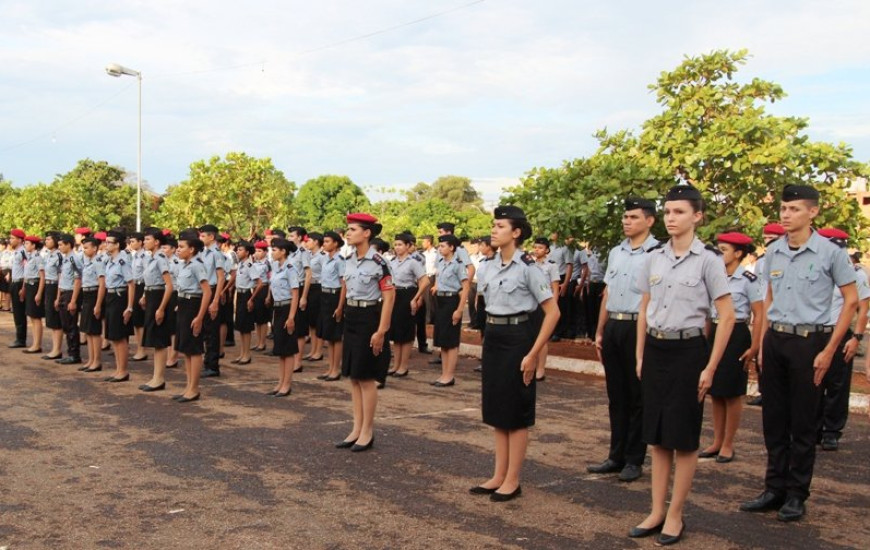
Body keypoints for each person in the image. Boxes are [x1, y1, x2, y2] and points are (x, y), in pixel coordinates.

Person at [739, 185, 857, 523]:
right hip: (776, 341)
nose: (786, 214)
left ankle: (796, 494)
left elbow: (850, 301)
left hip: (810, 343)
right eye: (784, 208)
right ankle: (774, 488)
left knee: (803, 422)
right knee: (773, 419)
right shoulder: (774, 251)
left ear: (813, 213)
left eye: (793, 209)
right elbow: (769, 297)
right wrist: (761, 346)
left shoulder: (830, 253)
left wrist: (829, 349)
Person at [630, 184, 735, 545]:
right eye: (669, 211)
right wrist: (641, 354)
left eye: (679, 212)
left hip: (690, 352)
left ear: (697, 216)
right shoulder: (654, 257)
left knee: (684, 439)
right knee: (658, 437)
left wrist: (710, 368)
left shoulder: (708, 260)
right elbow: (644, 307)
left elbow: (727, 315)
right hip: (656, 350)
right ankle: (656, 510)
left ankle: (675, 514)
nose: (672, 218)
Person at [469, 205, 558, 502]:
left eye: (500, 226)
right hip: (493, 336)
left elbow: (552, 312)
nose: (494, 230)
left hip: (519, 337)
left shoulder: (529, 267)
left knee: (516, 412)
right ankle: (498, 474)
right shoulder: (488, 265)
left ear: (516, 233)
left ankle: (513, 479)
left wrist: (533, 353)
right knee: (496, 409)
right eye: (493, 225)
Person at [588, 198, 658, 483]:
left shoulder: (656, 253)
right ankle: (615, 455)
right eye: (625, 217)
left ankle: (633, 459)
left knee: (637, 396)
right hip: (615, 325)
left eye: (633, 217)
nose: (626, 221)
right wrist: (600, 330)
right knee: (616, 396)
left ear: (650, 221)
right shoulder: (616, 251)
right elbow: (607, 292)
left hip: (638, 328)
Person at [698, 232, 764, 464]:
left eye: (724, 250)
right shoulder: (713, 276)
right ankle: (716, 440)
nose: (719, 254)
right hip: (716, 330)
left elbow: (759, 313)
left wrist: (755, 345)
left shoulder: (748, 279)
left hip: (736, 333)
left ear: (738, 253)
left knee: (732, 392)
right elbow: (707, 313)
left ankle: (728, 444)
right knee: (715, 391)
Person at [335, 213, 394, 453]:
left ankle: (367, 432)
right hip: (352, 316)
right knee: (354, 376)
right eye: (348, 229)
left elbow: (389, 297)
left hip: (370, 318)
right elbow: (346, 288)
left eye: (353, 229)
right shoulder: (348, 259)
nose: (348, 233)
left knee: (367, 377)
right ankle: (356, 428)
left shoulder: (379, 262)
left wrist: (381, 330)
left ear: (367, 233)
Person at [814, 228, 870, 451]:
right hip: (815, 332)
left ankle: (831, 431)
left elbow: (862, 307)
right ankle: (814, 428)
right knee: (813, 381)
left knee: (837, 384)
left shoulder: (855, 273)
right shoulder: (817, 269)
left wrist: (856, 337)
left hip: (840, 334)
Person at [746, 222, 786, 407]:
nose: (769, 242)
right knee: (760, 350)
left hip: (777, 310)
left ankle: (773, 392)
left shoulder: (783, 258)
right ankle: (764, 390)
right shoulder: (762, 260)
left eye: (773, 238)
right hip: (761, 307)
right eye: (767, 238)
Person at [172, 232, 212, 403]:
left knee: (194, 349)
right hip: (183, 304)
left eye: (182, 247)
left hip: (193, 306)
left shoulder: (196, 265)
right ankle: (188, 387)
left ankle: (194, 389)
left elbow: (207, 291)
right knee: (186, 349)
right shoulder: (184, 264)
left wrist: (200, 317)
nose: (178, 250)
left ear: (192, 249)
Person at [388, 233, 429, 378]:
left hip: (408, 294)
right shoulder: (392, 262)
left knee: (406, 332)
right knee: (396, 332)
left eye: (400, 245)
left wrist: (416, 298)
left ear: (407, 246)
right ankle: (395, 365)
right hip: (395, 295)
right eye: (396, 244)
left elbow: (424, 281)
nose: (397, 247)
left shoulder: (413, 262)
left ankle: (403, 366)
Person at [431, 234, 469, 387]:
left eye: (443, 246)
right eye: (439, 246)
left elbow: (465, 287)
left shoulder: (458, 264)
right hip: (440, 301)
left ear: (451, 247)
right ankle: (444, 374)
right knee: (443, 340)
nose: (440, 249)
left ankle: (449, 375)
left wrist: (459, 309)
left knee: (451, 341)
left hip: (452, 301)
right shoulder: (440, 262)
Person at [138, 229, 174, 392]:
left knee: (159, 340)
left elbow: (169, 285)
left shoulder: (160, 258)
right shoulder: (150, 257)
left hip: (160, 297)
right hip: (152, 296)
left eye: (147, 239)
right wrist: (145, 295)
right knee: (153, 338)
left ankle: (159, 378)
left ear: (157, 242)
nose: (144, 242)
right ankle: (155, 377)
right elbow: (151, 281)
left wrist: (161, 308)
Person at [265, 238, 300, 397]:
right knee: (280, 349)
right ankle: (280, 382)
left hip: (287, 308)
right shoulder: (276, 267)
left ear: (283, 251)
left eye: (275, 250)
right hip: (277, 308)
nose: (272, 252)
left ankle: (287, 384)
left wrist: (291, 317)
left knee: (288, 348)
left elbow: (295, 293)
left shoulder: (290, 268)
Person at [101, 230, 135, 383]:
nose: (106, 244)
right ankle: (118, 369)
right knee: (113, 336)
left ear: (117, 245)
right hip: (110, 296)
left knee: (120, 337)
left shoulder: (123, 261)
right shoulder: (109, 260)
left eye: (109, 242)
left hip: (119, 297)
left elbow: (131, 284)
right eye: (106, 241)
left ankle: (123, 371)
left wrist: (129, 307)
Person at [316, 231, 346, 382]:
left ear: (335, 243)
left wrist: (340, 306)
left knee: (336, 335)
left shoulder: (340, 260)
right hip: (325, 296)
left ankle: (336, 369)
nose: (325, 244)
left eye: (327, 241)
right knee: (328, 335)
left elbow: (343, 284)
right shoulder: (326, 259)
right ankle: (330, 368)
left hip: (335, 296)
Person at [531, 237, 561, 381]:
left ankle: (541, 369)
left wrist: (553, 308)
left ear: (547, 250)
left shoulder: (551, 266)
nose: (537, 250)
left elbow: (555, 288)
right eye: (535, 247)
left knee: (542, 337)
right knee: (531, 335)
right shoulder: (530, 265)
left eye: (540, 248)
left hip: (545, 304)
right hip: (531, 304)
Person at [199, 225, 226, 378]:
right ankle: (207, 362)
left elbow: (221, 277)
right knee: (205, 330)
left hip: (213, 289)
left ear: (211, 237)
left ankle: (213, 366)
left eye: (203, 236)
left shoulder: (216, 254)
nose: (200, 239)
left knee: (212, 331)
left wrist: (215, 300)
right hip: (204, 291)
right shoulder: (204, 252)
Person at [78, 237, 105, 373]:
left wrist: (98, 304)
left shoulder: (98, 262)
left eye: (87, 247)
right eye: (84, 248)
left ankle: (97, 361)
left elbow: (102, 284)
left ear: (95, 248)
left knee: (94, 331)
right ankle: (90, 359)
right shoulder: (87, 262)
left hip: (94, 295)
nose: (85, 250)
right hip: (87, 295)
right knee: (87, 330)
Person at [230, 240, 259, 365]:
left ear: (247, 252)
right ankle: (242, 353)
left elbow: (260, 283)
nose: (237, 251)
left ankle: (247, 355)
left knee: (246, 328)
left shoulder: (249, 266)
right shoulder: (241, 264)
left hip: (247, 294)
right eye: (237, 249)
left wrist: (251, 299)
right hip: (240, 294)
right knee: (241, 327)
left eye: (240, 250)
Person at [55, 233, 83, 365]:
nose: (59, 247)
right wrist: (58, 297)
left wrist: (73, 301)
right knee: (66, 324)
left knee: (71, 325)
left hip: (71, 293)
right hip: (64, 292)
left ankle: (74, 354)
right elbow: (62, 279)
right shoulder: (65, 258)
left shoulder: (74, 259)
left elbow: (78, 280)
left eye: (61, 244)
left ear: (68, 245)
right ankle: (70, 352)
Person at [288, 226, 312, 371]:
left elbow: (309, 274)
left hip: (300, 288)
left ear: (299, 237)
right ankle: (292, 358)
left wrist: (304, 296)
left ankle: (298, 361)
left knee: (300, 327)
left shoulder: (303, 252)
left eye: (292, 236)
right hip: (290, 289)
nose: (289, 238)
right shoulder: (290, 253)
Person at [40, 232, 64, 360]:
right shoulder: (49, 255)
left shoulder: (59, 255)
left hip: (56, 286)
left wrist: (58, 295)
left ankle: (57, 350)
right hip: (49, 286)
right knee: (51, 318)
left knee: (56, 319)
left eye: (49, 239)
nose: (46, 241)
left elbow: (61, 275)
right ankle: (54, 348)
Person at [22, 235, 46, 354]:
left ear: (33, 245)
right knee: (31, 316)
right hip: (30, 286)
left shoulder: (38, 258)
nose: (25, 245)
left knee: (36, 317)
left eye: (27, 243)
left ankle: (37, 345)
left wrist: (39, 293)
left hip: (35, 286)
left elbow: (42, 277)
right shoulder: (30, 257)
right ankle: (34, 343)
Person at [548, 233, 573, 341]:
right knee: (549, 305)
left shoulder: (565, 248)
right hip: (549, 278)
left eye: (554, 232)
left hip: (560, 278)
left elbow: (569, 265)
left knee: (560, 305)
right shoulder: (549, 248)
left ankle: (559, 332)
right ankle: (550, 331)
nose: (552, 234)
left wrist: (566, 283)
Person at [128, 232, 148, 361]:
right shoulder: (134, 256)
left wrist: (145, 294)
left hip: (142, 287)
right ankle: (139, 348)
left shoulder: (145, 256)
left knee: (140, 321)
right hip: (134, 286)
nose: (131, 244)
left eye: (134, 241)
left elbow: (147, 276)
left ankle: (142, 350)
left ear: (140, 242)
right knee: (136, 321)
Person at [305, 232, 325, 361]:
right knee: (311, 321)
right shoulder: (309, 256)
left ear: (316, 242)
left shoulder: (322, 256)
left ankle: (319, 351)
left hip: (319, 287)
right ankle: (312, 350)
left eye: (309, 240)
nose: (307, 243)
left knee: (318, 321)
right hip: (310, 287)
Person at [7, 229, 28, 348]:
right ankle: (19, 338)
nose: (10, 240)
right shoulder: (16, 252)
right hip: (14, 282)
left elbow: (26, 270)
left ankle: (21, 339)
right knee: (16, 312)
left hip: (20, 283)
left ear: (20, 240)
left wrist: (23, 287)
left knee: (19, 312)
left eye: (12, 238)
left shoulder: (23, 252)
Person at [251, 240, 272, 352]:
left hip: (264, 289)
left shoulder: (267, 264)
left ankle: (262, 343)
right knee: (257, 318)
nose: (257, 253)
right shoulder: (254, 263)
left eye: (260, 251)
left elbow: (270, 280)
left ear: (265, 252)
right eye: (256, 250)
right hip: (255, 290)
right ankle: (258, 341)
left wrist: (268, 295)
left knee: (263, 319)